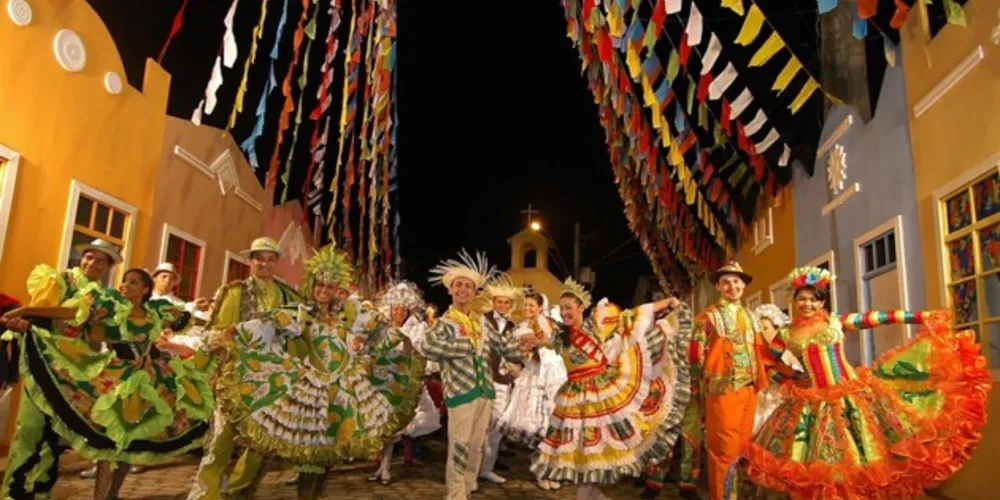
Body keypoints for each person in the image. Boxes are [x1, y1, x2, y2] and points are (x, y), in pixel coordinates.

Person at [741, 266, 992, 499]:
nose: (808, 304)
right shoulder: (785, 334)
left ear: (822, 301)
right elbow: (772, 364)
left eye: (814, 299)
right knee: (824, 466)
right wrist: (761, 383)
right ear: (794, 301)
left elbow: (879, 317)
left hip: (852, 398)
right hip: (812, 405)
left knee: (864, 460)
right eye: (802, 299)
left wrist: (921, 316)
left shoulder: (836, 322)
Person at [204, 245, 423, 499]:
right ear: (312, 285)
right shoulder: (301, 314)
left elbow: (379, 328)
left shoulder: (349, 313)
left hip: (339, 393)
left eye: (329, 287)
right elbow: (266, 325)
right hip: (308, 391)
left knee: (322, 457)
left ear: (336, 289)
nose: (323, 291)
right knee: (289, 448)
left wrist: (401, 341)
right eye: (319, 285)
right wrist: (231, 333)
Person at [1, 252, 213, 499]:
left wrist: (223, 322)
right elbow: (70, 313)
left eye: (134, 282)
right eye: (125, 280)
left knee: (131, 441)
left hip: (150, 377)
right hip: (118, 377)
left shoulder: (156, 311)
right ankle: (97, 495)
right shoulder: (109, 305)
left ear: (146, 289)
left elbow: (190, 319)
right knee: (110, 441)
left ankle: (112, 493)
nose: (125, 285)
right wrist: (26, 310)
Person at [530, 278, 692, 500]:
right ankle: (590, 495)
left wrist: (666, 303)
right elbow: (539, 335)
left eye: (569, 307)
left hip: (599, 393)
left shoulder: (597, 323)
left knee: (595, 450)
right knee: (581, 452)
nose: (565, 312)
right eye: (562, 308)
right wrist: (528, 339)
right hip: (573, 398)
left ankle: (587, 495)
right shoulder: (560, 335)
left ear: (581, 307)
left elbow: (631, 316)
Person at [189, 236, 301, 500]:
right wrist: (229, 336)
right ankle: (206, 495)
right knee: (222, 439)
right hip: (236, 374)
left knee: (262, 442)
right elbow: (213, 334)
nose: (265, 264)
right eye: (259, 259)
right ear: (250, 261)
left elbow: (303, 330)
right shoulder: (234, 291)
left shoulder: (289, 296)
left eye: (270, 259)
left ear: (277, 263)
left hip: (274, 379)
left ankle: (238, 493)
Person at [421, 251, 525, 500]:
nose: (463, 290)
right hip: (460, 392)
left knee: (477, 445)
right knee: (459, 445)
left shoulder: (481, 322)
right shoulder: (445, 322)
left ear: (475, 292)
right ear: (451, 291)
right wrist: (466, 347)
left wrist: (523, 345)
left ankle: (468, 485)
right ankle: (455, 494)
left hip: (484, 391)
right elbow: (429, 348)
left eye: (468, 286)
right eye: (459, 286)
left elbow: (502, 345)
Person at [690, 262, 793, 500]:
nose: (732, 286)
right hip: (722, 390)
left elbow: (765, 352)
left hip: (749, 390)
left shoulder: (750, 316)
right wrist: (700, 386)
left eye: (737, 281)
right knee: (723, 451)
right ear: (717, 286)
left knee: (744, 447)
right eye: (726, 281)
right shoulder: (708, 317)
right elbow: (694, 355)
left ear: (744, 286)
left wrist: (794, 369)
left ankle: (739, 494)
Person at [369, 281, 441, 484]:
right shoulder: (380, 326)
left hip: (400, 384)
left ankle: (386, 469)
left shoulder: (415, 329)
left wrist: (406, 345)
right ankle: (382, 467)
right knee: (381, 428)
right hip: (380, 383)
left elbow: (418, 353)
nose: (398, 313)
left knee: (393, 429)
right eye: (395, 309)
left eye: (403, 309)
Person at [497, 290, 567, 491]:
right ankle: (541, 472)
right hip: (531, 379)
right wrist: (518, 361)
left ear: (540, 308)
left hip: (551, 376)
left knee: (551, 428)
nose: (527, 309)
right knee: (538, 427)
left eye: (531, 306)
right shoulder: (519, 328)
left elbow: (557, 346)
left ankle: (550, 470)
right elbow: (515, 353)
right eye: (525, 305)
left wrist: (541, 345)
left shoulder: (549, 324)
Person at [478, 274, 522, 485]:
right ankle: (471, 471)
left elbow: (517, 354)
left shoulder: (514, 327)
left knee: (496, 428)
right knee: (478, 426)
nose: (502, 305)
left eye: (506, 302)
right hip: (482, 379)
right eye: (499, 301)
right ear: (493, 302)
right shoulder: (482, 320)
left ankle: (487, 468)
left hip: (503, 382)